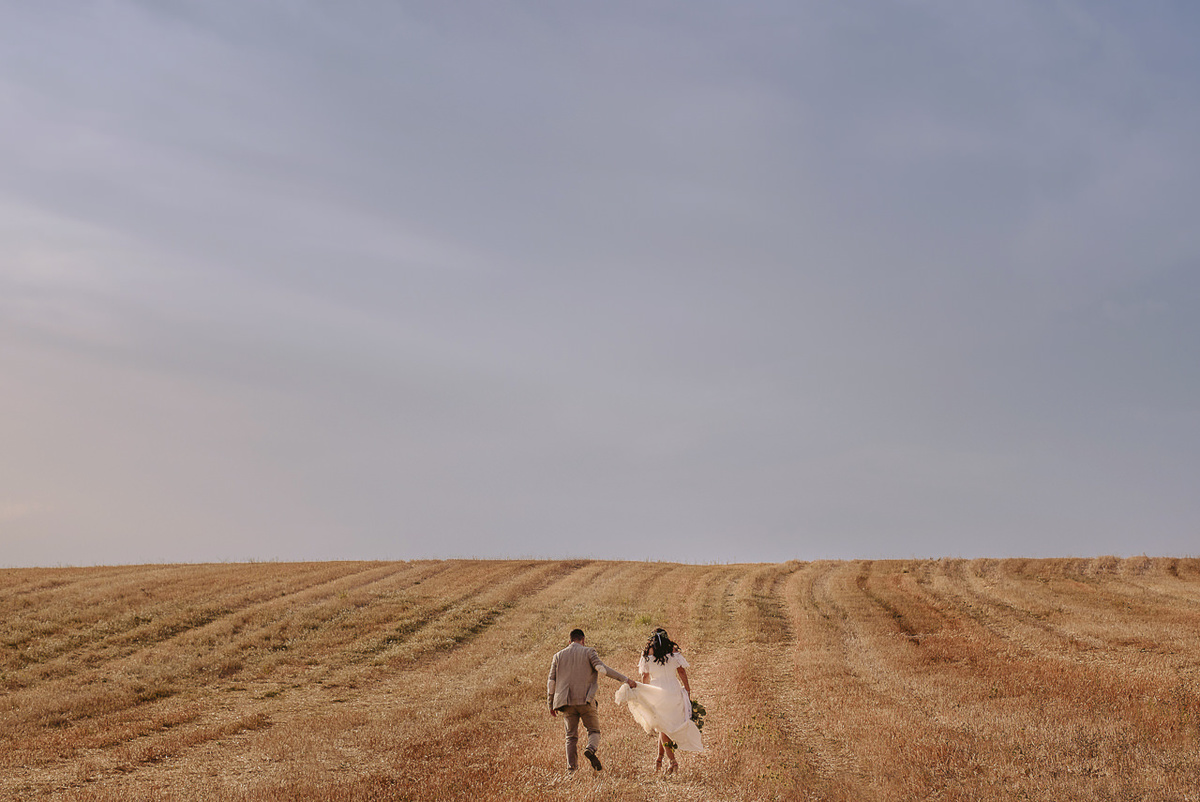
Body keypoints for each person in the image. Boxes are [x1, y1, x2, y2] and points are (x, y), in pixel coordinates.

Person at [547, 628, 637, 772]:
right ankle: (590, 748)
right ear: (583, 640)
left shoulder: (557, 656)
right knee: (594, 731)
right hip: (585, 700)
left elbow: (551, 682)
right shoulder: (589, 651)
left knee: (570, 737)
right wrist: (625, 679)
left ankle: (571, 770)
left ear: (569, 641)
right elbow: (602, 669)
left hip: (566, 702)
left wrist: (550, 704)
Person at [614, 628, 703, 772]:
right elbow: (681, 671)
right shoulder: (672, 650)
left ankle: (671, 762)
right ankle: (660, 760)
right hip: (673, 691)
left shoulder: (647, 653)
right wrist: (687, 688)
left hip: (657, 692)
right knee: (664, 727)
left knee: (663, 727)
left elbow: (645, 676)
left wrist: (646, 693)